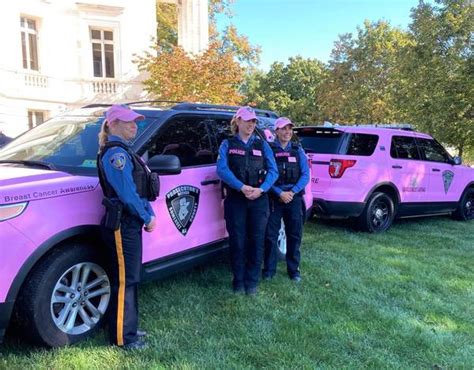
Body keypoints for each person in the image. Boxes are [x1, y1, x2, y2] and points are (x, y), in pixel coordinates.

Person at [97, 104, 157, 350]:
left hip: (129, 223)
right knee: (125, 281)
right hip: (123, 224)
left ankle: (127, 327)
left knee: (130, 279)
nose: (135, 125)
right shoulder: (116, 155)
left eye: (135, 121)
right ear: (113, 124)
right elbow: (127, 194)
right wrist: (147, 216)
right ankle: (124, 338)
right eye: (128, 121)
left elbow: (138, 191)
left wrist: (147, 213)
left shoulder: (124, 151)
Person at [216, 106, 278, 296]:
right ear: (238, 122)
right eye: (247, 121)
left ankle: (252, 283)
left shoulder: (262, 145)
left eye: (253, 121)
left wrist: (261, 189)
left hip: (259, 200)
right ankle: (238, 281)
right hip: (237, 199)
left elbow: (273, 171)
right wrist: (241, 187)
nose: (251, 124)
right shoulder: (227, 144)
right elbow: (222, 169)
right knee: (238, 241)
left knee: (257, 241)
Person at [263, 117, 310, 282]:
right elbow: (266, 175)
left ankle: (294, 270)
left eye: (290, 129)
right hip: (274, 198)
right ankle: (269, 270)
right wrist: (279, 193)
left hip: (294, 198)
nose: (287, 132)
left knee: (294, 235)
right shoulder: (269, 150)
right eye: (283, 129)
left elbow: (305, 175)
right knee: (270, 235)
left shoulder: (298, 151)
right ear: (276, 131)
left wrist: (292, 192)